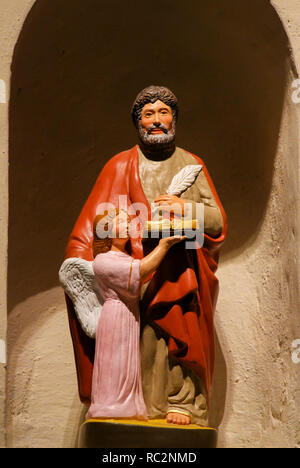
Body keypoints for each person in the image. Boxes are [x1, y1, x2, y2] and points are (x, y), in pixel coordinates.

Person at [65, 85, 227, 426]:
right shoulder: (118, 166)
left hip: (181, 272)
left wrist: (186, 208)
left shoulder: (192, 164)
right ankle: (129, 403)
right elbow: (91, 229)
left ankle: (182, 401)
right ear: (138, 122)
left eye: (163, 113)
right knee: (133, 344)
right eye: (148, 114)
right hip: (132, 281)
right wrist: (87, 259)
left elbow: (217, 223)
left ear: (174, 119)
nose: (156, 121)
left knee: (178, 337)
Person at [87, 208, 186, 420]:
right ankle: (109, 405)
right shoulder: (103, 261)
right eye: (122, 223)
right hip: (116, 317)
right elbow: (141, 270)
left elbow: (142, 275)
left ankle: (128, 406)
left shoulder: (123, 257)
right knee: (115, 363)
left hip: (129, 315)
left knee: (127, 363)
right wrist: (163, 246)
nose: (127, 227)